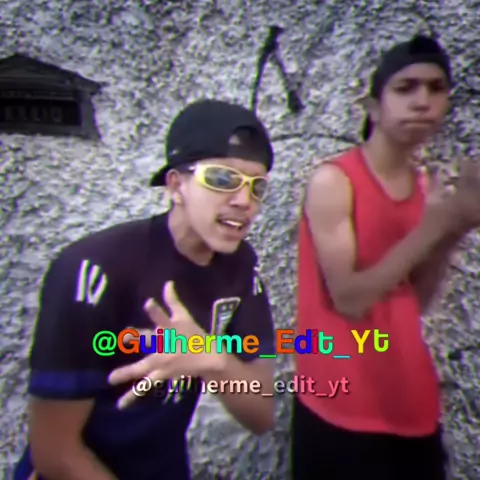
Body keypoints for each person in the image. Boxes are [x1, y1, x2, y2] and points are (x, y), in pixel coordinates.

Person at [15, 99, 277, 480]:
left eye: (257, 187)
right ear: (176, 185)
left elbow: (261, 413)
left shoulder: (240, 270)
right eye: (223, 179)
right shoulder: (93, 269)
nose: (244, 201)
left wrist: (214, 359)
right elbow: (55, 453)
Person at [291, 35, 480, 480]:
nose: (423, 100)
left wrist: (455, 229)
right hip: (339, 405)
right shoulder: (334, 181)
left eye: (436, 88)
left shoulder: (424, 189)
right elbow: (350, 299)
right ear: (373, 106)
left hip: (411, 404)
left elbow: (416, 300)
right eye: (405, 87)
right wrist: (435, 226)